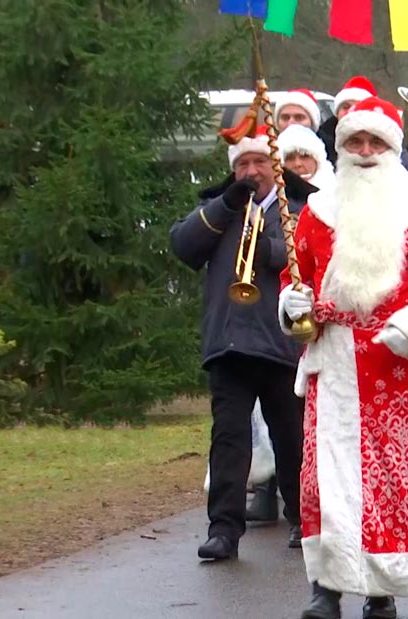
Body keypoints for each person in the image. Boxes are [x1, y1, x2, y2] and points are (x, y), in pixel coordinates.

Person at [280, 97, 408, 619]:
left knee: (388, 480)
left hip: (396, 366)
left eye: (375, 142)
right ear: (340, 148)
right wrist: (291, 303)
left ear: (392, 147)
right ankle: (328, 586)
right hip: (333, 359)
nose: (364, 152)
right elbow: (296, 277)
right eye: (355, 142)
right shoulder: (318, 210)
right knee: (326, 475)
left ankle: (381, 588)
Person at [170, 127, 315, 560]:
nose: (251, 171)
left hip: (281, 341)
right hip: (230, 343)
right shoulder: (219, 209)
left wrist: (270, 250)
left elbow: (311, 262)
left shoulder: (302, 209)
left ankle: (303, 520)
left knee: (291, 436)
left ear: (277, 167)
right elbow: (182, 245)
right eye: (242, 165)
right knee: (229, 439)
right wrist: (227, 201)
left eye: (259, 163)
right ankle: (224, 531)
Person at [318, 75, 376, 164]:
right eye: (346, 107)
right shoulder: (320, 141)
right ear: (337, 113)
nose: (351, 112)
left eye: (359, 107)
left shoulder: (386, 142)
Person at [279, 124, 336, 193]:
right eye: (290, 158)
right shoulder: (278, 197)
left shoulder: (340, 189)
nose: (297, 164)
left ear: (317, 159)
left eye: (305, 156)